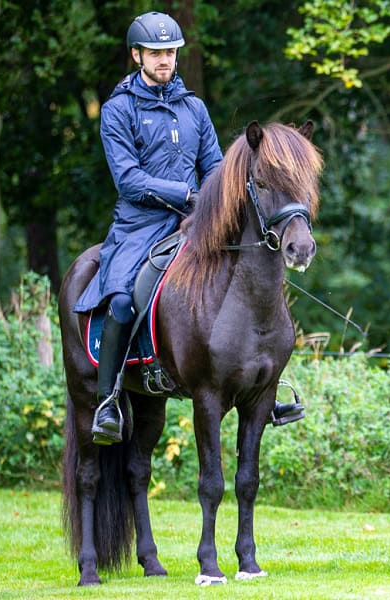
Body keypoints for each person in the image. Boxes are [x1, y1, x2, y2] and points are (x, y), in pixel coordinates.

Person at [75, 11, 304, 445]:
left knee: (247, 277)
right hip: (139, 225)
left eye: (171, 53)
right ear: (137, 55)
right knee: (124, 299)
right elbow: (129, 180)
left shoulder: (193, 107)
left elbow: (216, 169)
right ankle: (108, 400)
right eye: (157, 53)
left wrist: (215, 202)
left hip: (195, 221)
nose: (165, 60)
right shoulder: (117, 110)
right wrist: (186, 195)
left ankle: (262, 387)